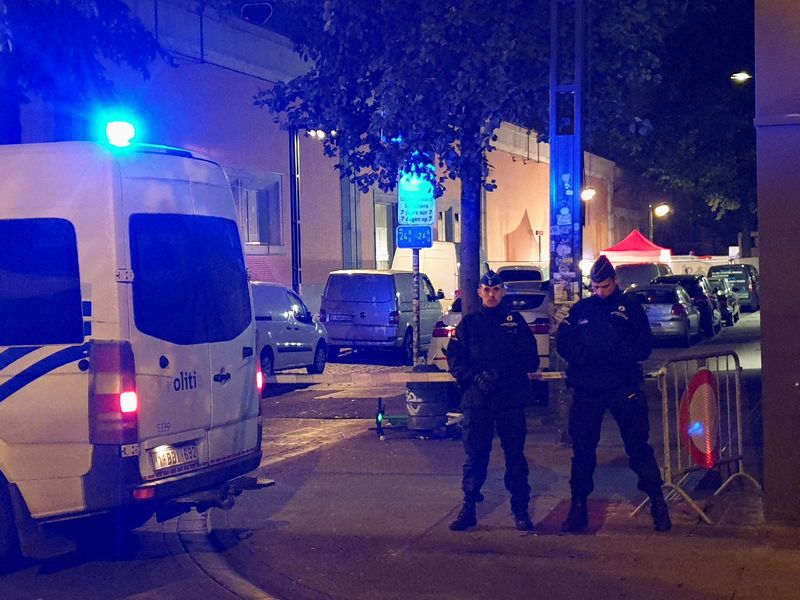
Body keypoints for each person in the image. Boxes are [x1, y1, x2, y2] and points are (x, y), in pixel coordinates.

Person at [556, 255, 671, 532]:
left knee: (638, 447)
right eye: (595, 287)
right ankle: (578, 507)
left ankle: (658, 504)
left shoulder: (630, 308)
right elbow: (565, 342)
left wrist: (609, 355)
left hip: (622, 387)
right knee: (582, 451)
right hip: (588, 390)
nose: (599, 292)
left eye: (604, 287)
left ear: (614, 282)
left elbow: (643, 347)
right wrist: (587, 356)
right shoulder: (582, 309)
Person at [446, 266, 540, 532]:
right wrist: (476, 377)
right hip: (478, 400)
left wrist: (502, 373)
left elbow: (530, 359)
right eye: (486, 290)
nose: (490, 294)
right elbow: (455, 359)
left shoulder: (516, 322)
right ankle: (469, 507)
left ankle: (520, 509)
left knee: (515, 457)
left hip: (510, 398)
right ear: (479, 292)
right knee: (475, 456)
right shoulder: (469, 324)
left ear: (503, 292)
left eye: (495, 290)